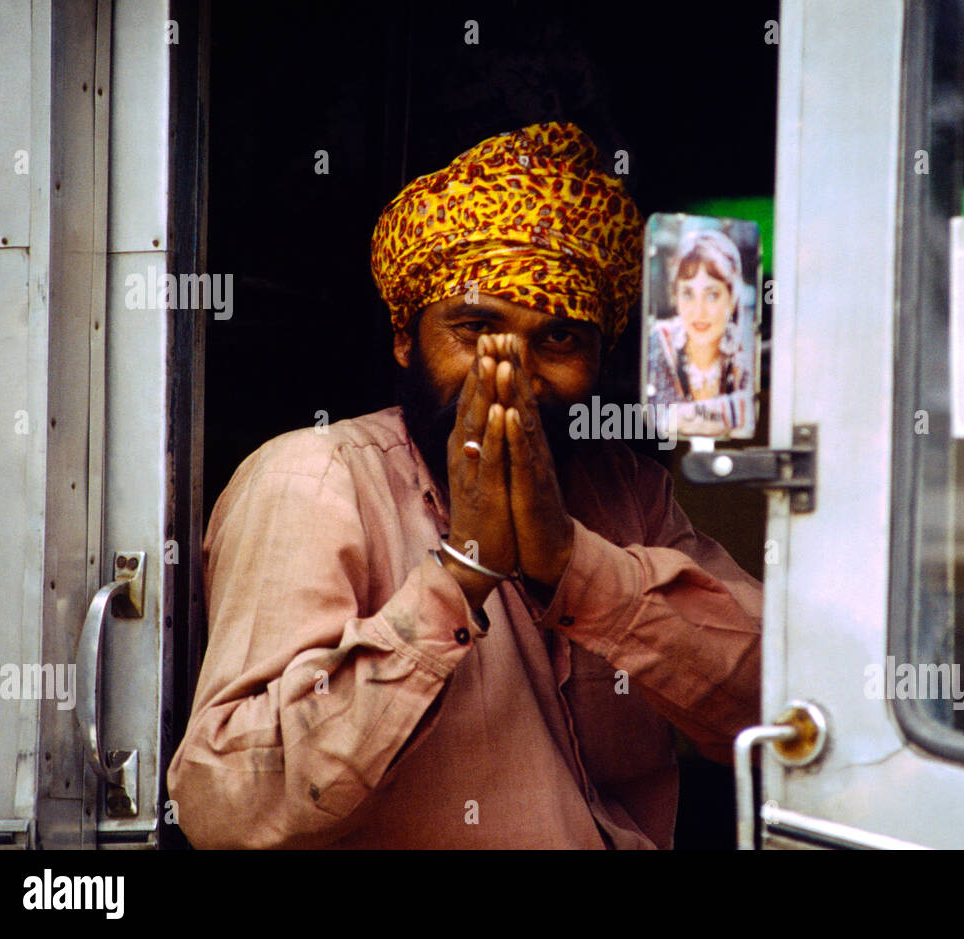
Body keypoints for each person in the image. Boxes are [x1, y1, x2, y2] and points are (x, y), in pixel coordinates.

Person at [166, 122, 763, 849]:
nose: (507, 372)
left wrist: (574, 568)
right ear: (403, 338)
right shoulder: (314, 479)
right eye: (476, 328)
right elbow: (226, 805)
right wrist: (463, 571)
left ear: (601, 362)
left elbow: (773, 701)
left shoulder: (626, 494)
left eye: (559, 338)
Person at [646, 228, 754, 437]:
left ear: (731, 299)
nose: (699, 311)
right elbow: (654, 421)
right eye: (687, 294)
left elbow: (752, 413)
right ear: (675, 296)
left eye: (712, 295)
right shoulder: (659, 342)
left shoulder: (745, 347)